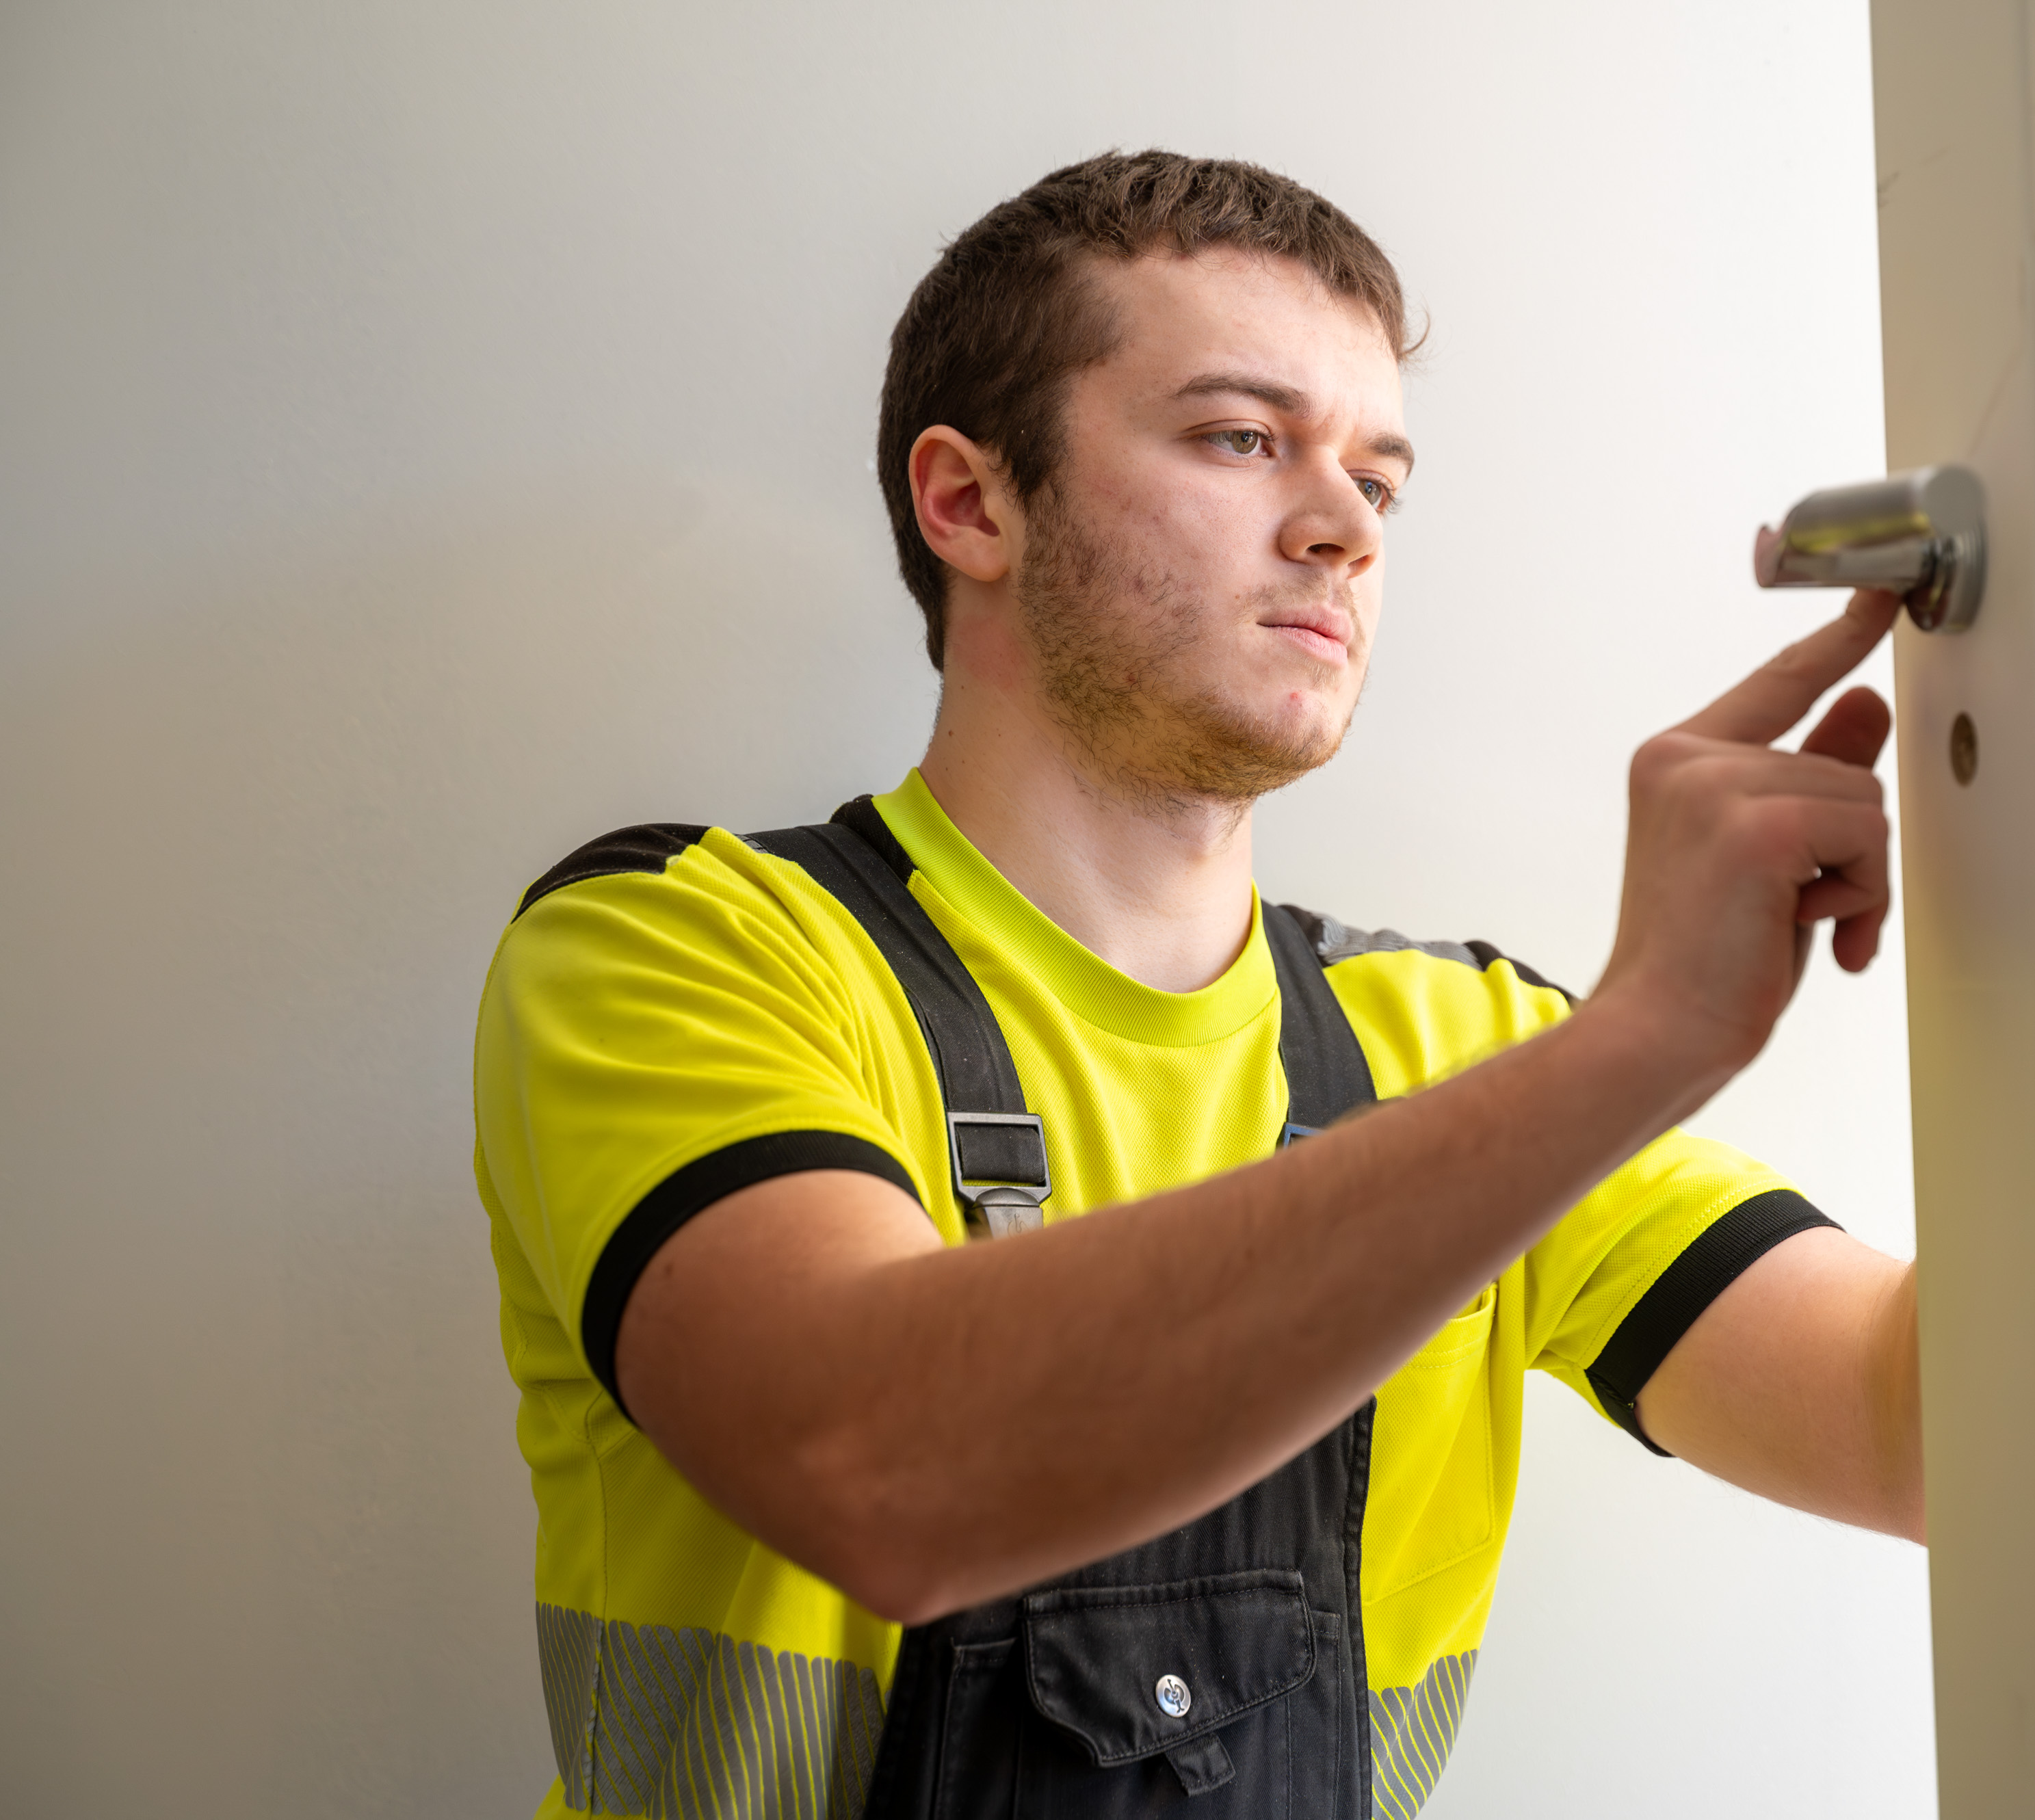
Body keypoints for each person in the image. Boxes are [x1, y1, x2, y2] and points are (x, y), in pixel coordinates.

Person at [474, 150, 1919, 1820]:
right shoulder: (682, 946)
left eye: (1377, 477)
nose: (1343, 527)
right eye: (1241, 438)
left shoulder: (1464, 1044)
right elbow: (880, 1464)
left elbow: (1930, 1433)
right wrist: (1640, 1041)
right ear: (971, 504)